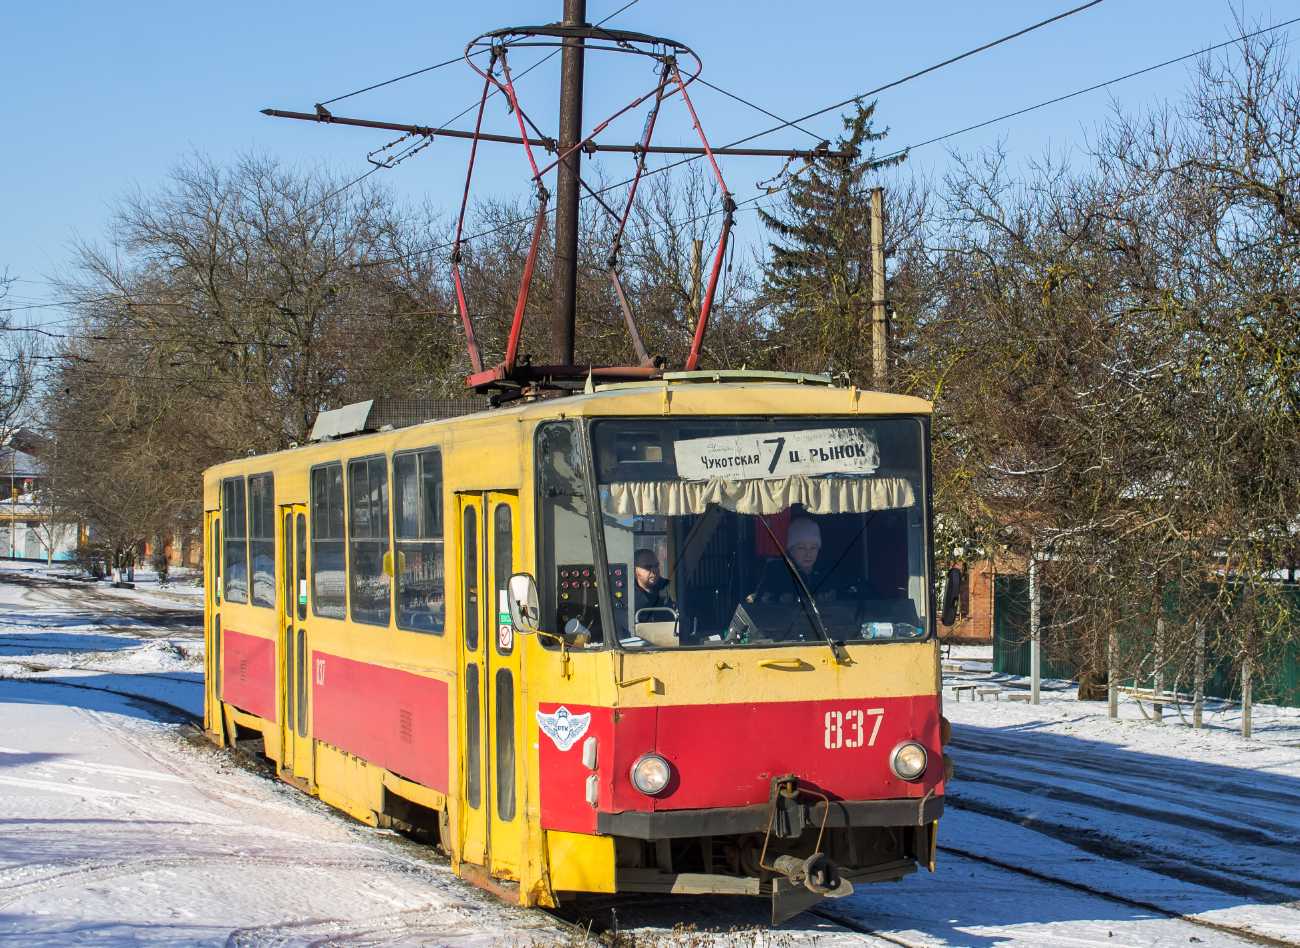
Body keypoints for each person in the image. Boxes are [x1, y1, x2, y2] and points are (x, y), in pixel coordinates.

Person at [754, 517, 837, 604]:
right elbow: (764, 605)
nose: (808, 554)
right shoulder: (776, 572)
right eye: (802, 548)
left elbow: (844, 606)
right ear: (791, 550)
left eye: (813, 548)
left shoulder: (830, 573)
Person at [633, 548, 676, 614]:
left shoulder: (664, 589)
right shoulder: (629, 597)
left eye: (656, 566)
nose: (654, 571)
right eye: (648, 567)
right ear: (635, 570)